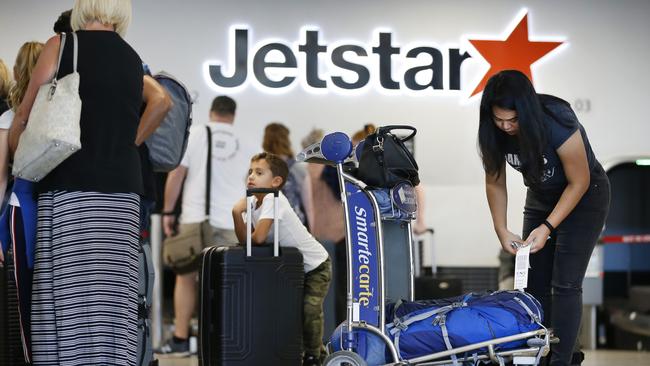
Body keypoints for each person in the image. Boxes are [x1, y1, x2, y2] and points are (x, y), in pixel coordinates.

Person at [7, 1, 150, 364]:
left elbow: (24, 115)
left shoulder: (62, 44)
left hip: (71, 187)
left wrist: (17, 156)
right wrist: (129, 141)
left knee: (65, 292)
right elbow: (161, 101)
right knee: (113, 297)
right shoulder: (133, 58)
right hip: (123, 197)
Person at [478, 70, 610, 366]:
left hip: (585, 195)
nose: (506, 126)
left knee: (565, 282)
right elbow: (494, 181)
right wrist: (501, 228)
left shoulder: (557, 119)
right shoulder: (493, 130)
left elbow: (580, 181)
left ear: (527, 110)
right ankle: (542, 354)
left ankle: (563, 360)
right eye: (499, 120)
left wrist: (548, 226)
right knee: (533, 282)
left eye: (513, 120)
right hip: (540, 196)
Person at [160, 95, 258, 356]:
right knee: (228, 282)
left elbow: (177, 174)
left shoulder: (195, 135)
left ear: (212, 112)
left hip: (194, 218)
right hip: (232, 221)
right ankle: (224, 340)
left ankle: (181, 339)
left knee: (185, 277)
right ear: (233, 115)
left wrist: (168, 210)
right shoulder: (249, 142)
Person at [232, 152, 331, 366]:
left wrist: (241, 215)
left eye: (259, 173)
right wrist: (236, 213)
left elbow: (257, 239)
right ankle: (312, 353)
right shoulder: (254, 202)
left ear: (276, 182)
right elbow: (245, 243)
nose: (251, 176)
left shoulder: (272, 198)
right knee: (291, 314)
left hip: (316, 266)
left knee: (309, 310)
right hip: (292, 269)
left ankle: (314, 356)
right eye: (250, 171)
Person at [0, 41, 43, 366]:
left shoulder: (13, 117)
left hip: (22, 210)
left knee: (24, 295)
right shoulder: (59, 112)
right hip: (52, 211)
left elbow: (1, 179)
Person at [262, 122, 314, 228]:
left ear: (266, 141)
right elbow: (309, 207)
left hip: (266, 228)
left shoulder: (258, 168)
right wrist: (311, 235)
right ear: (287, 140)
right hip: (294, 228)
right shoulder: (299, 169)